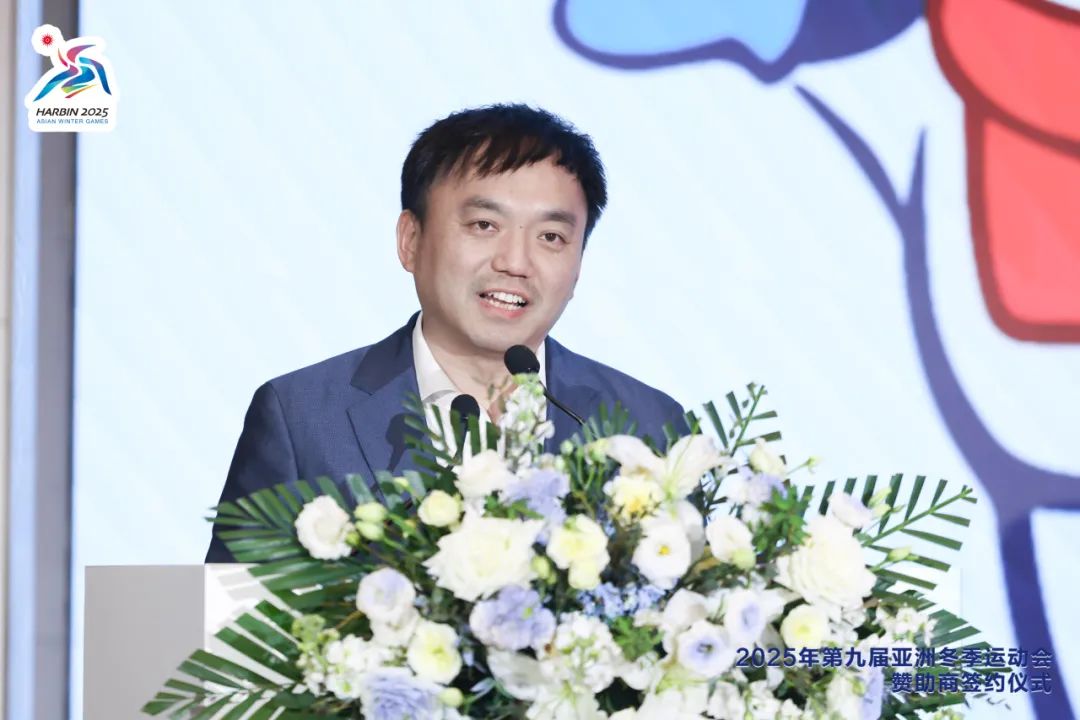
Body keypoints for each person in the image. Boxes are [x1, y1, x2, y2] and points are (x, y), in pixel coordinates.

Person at [206, 104, 686, 562]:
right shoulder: (301, 420)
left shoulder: (646, 425)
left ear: (578, 265)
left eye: (551, 237)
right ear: (411, 241)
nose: (515, 262)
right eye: (484, 224)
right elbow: (231, 618)